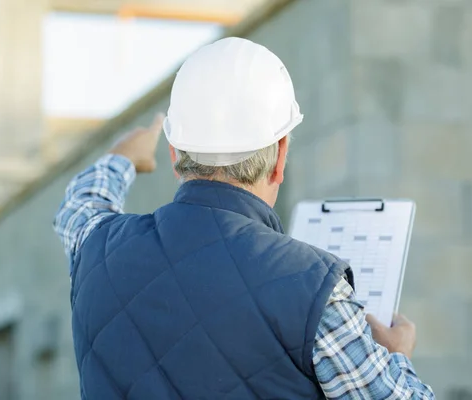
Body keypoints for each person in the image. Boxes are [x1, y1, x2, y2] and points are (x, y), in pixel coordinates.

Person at [53, 37, 435, 399]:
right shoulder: (317, 289)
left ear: (174, 154)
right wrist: (397, 355)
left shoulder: (96, 251)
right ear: (281, 156)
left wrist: (120, 158)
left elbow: (79, 207)